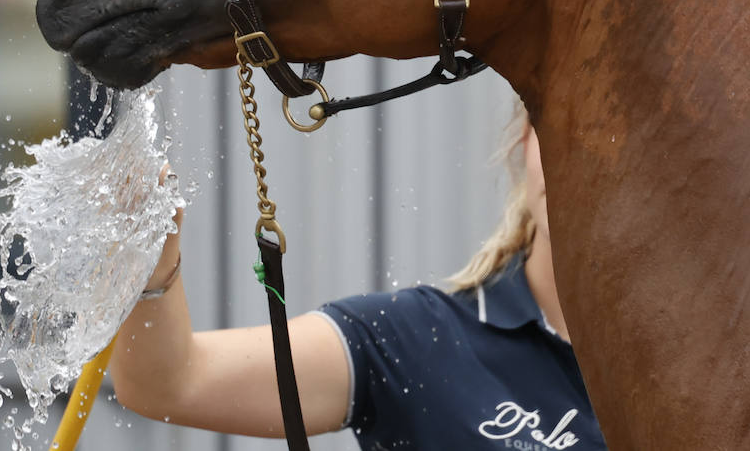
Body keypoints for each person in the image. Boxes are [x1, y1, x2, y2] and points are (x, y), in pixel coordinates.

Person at [109, 106, 607, 449]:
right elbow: (169, 383)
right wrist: (147, 260)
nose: (580, 161)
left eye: (612, 136)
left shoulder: (684, 374)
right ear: (524, 140)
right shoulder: (421, 342)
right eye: (563, 126)